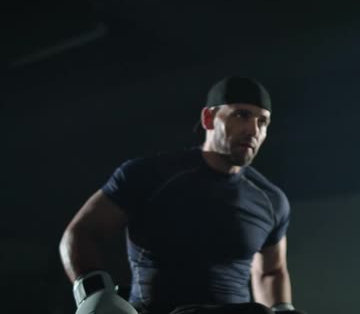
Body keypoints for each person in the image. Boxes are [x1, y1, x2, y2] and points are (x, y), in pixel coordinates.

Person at [59, 77, 301, 314]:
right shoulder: (149, 175)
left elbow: (271, 271)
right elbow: (81, 233)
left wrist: (282, 309)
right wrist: (96, 294)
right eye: (241, 115)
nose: (253, 130)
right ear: (209, 118)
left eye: (263, 122)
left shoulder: (271, 199)